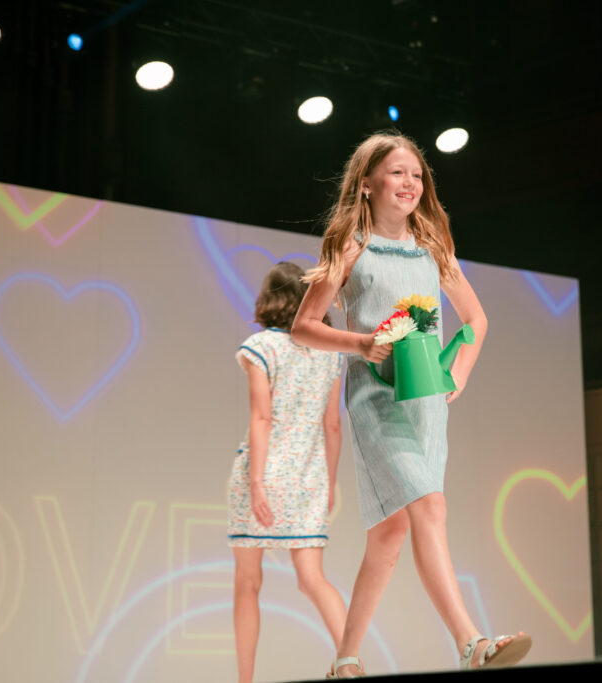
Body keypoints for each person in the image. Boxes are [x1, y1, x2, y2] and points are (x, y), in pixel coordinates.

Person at [292, 132, 532, 678]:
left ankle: (345, 660)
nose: (410, 184)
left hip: (426, 400)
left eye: (417, 175)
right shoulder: (351, 247)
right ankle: (471, 643)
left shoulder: (434, 250)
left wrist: (459, 373)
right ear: (368, 182)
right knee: (430, 507)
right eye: (398, 173)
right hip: (375, 396)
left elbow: (476, 320)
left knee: (389, 534)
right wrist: (360, 343)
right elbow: (304, 327)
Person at [228, 262, 348, 683]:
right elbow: (332, 425)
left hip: (262, 472)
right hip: (308, 476)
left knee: (248, 582)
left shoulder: (261, 347)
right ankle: (350, 663)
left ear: (269, 300)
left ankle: (246, 680)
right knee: (314, 580)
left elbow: (261, 418)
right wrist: (330, 483)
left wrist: (257, 482)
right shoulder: (329, 353)